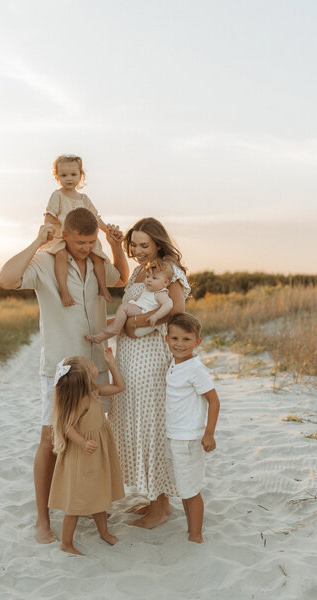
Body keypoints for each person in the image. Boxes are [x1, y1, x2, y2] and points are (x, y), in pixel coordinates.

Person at [0, 207, 128, 544]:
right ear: (65, 234)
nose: (85, 247)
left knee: (92, 436)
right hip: (60, 369)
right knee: (51, 441)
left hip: (95, 364)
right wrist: (37, 240)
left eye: (90, 241)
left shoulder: (97, 260)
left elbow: (122, 279)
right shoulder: (44, 261)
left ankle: (88, 503)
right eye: (80, 241)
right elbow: (5, 279)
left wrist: (113, 246)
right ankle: (43, 520)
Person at [109, 217, 191, 529]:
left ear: (158, 243)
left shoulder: (170, 271)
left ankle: (160, 508)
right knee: (141, 428)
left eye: (145, 245)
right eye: (135, 245)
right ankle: (157, 502)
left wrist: (135, 324)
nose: (139, 250)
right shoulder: (141, 273)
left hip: (152, 364)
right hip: (132, 361)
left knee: (154, 430)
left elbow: (178, 313)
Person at [49, 349, 125, 556]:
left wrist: (111, 364)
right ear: (83, 377)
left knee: (98, 493)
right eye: (90, 365)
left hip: (97, 453)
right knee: (77, 501)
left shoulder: (93, 391)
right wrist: (83, 442)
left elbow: (120, 386)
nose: (94, 365)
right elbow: (67, 426)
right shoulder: (80, 400)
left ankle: (104, 532)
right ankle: (66, 543)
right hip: (83, 456)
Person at [165, 312, 220, 543]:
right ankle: (191, 529)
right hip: (175, 435)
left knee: (191, 490)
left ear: (197, 342)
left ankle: (196, 536)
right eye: (175, 338)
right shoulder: (176, 363)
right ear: (167, 339)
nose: (179, 344)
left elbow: (214, 400)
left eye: (186, 339)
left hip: (189, 438)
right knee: (184, 488)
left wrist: (209, 434)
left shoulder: (196, 369)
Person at [44, 154, 119, 306]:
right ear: (57, 177)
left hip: (83, 238)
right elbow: (50, 215)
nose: (69, 178)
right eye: (64, 175)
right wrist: (47, 230)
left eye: (73, 174)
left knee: (97, 257)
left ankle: (103, 288)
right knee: (60, 255)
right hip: (62, 236)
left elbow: (95, 218)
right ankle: (64, 291)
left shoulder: (84, 199)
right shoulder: (57, 195)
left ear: (81, 176)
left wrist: (107, 231)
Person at [84, 258, 173, 344]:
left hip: (144, 313)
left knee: (124, 308)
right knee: (118, 321)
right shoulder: (148, 290)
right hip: (140, 313)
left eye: (154, 278)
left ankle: (116, 329)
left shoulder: (161, 293)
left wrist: (156, 316)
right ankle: (99, 338)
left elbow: (168, 304)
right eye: (147, 276)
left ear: (165, 282)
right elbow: (139, 297)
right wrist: (133, 300)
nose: (149, 280)